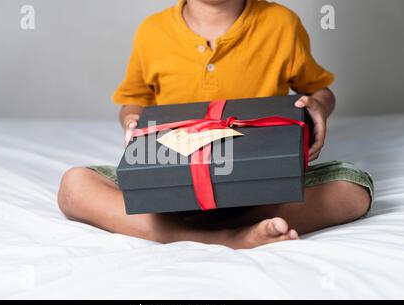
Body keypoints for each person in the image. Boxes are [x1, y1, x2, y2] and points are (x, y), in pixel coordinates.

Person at [58, 0, 374, 249]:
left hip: (260, 185)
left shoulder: (280, 23)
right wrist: (131, 120)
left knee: (353, 189)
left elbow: (318, 90)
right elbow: (134, 101)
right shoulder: (152, 31)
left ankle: (240, 223)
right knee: (74, 186)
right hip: (169, 185)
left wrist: (319, 105)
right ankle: (223, 237)